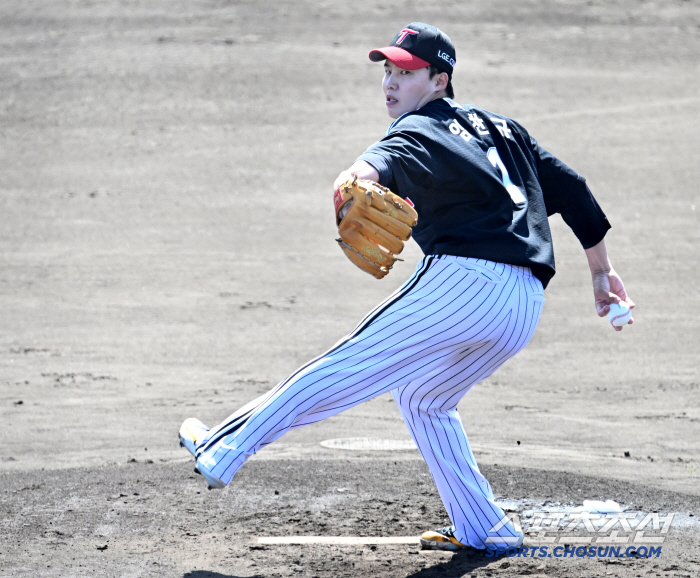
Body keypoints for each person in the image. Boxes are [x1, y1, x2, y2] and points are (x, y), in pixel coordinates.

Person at [178, 22, 634, 552]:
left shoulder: (415, 132)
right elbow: (573, 190)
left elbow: (363, 173)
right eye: (388, 70)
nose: (392, 82)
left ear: (440, 80)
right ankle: (485, 527)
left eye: (407, 72)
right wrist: (601, 272)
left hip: (465, 283)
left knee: (348, 361)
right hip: (523, 304)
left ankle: (221, 450)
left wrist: (349, 187)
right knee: (424, 398)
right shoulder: (505, 129)